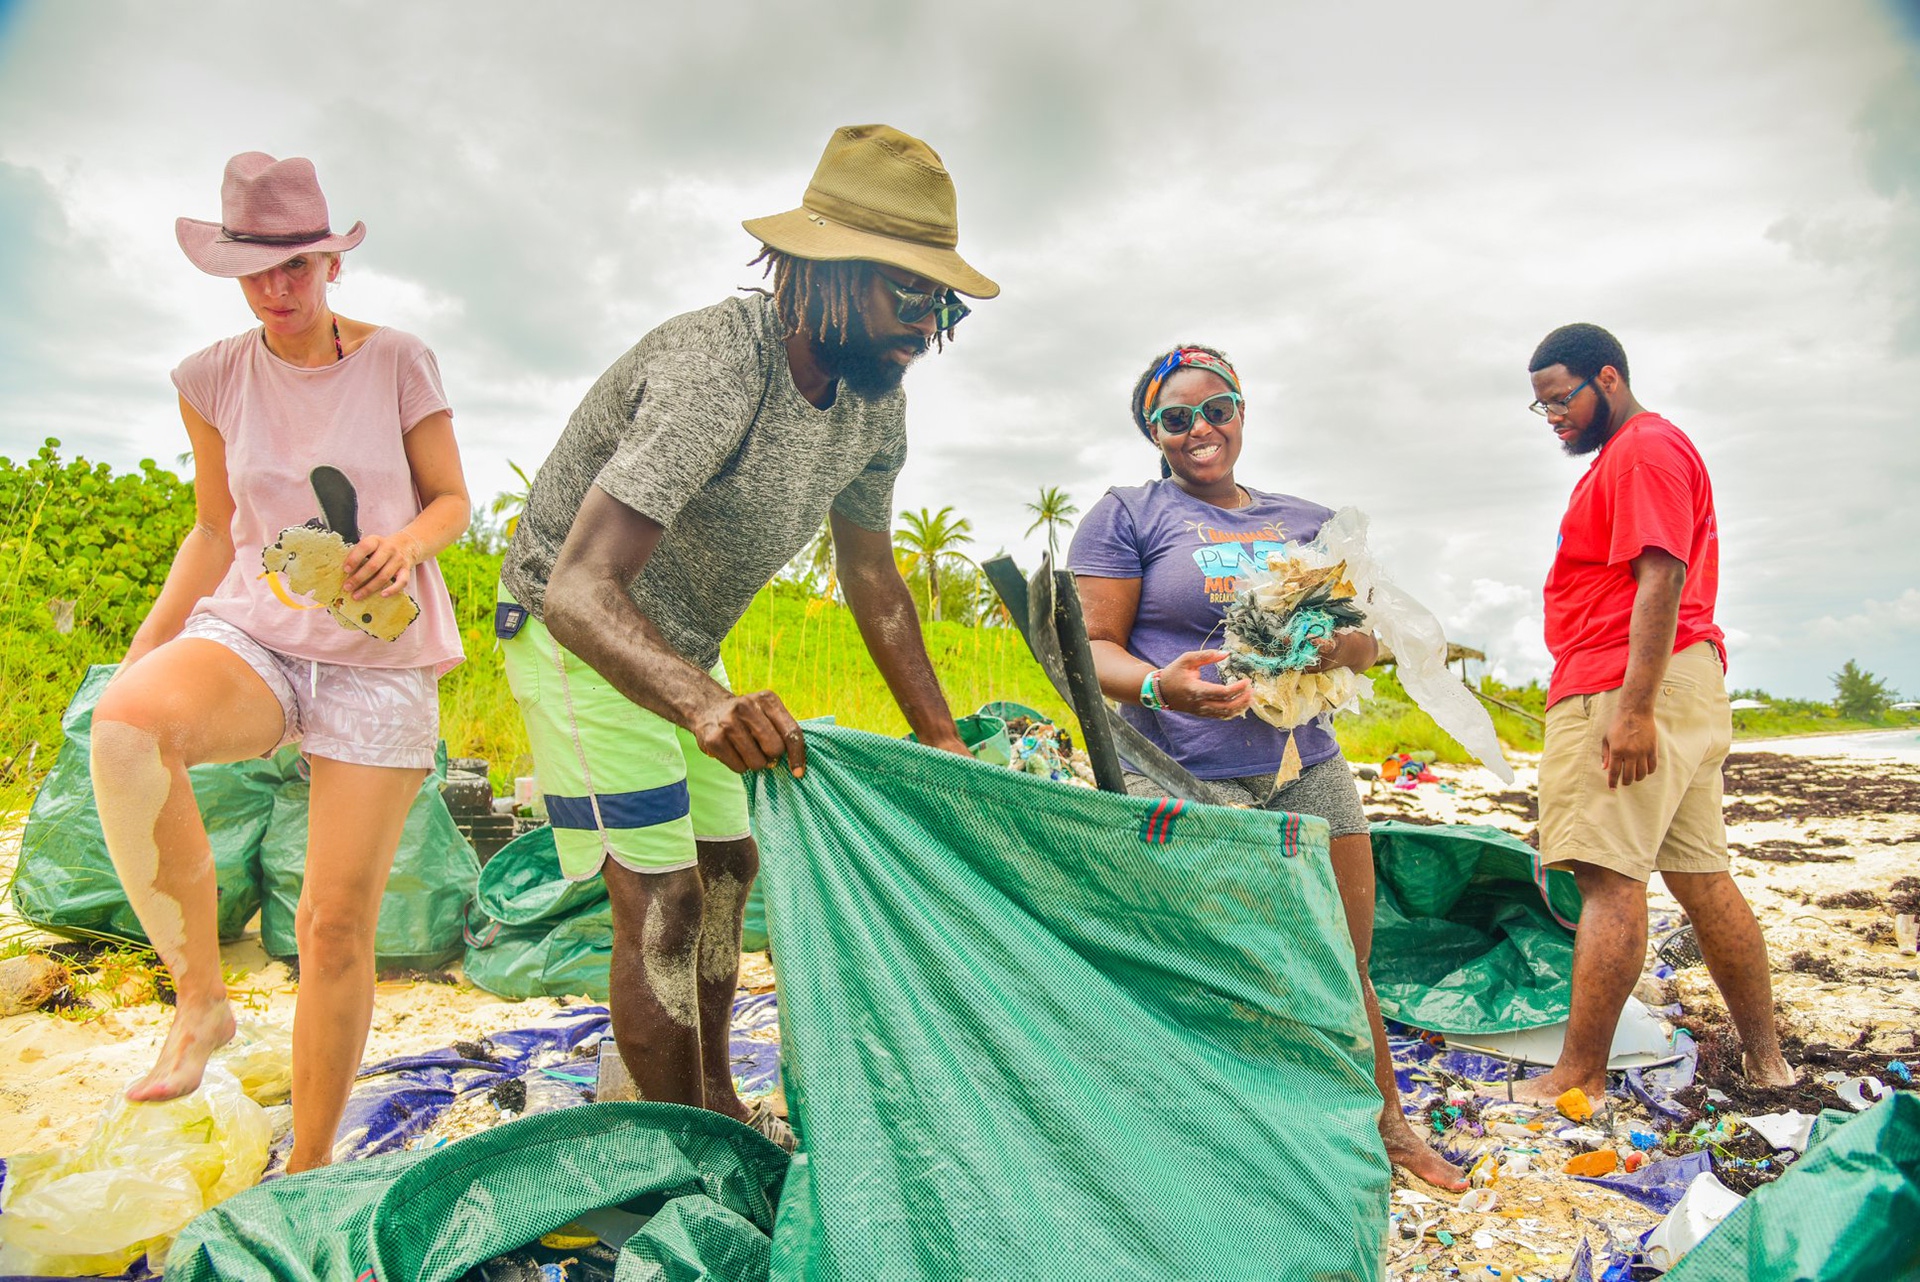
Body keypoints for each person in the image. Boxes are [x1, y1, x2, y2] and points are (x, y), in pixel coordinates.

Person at [497, 124, 997, 1149]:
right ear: (820, 268)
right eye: (908, 293)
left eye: (942, 303)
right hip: (575, 630)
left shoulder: (875, 403)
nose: (927, 325)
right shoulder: (717, 370)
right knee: (666, 902)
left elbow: (874, 579)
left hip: (678, 639)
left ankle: (715, 1103)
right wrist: (705, 702)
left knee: (729, 871)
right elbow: (582, 593)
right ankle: (685, 1155)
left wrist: (943, 739)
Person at [93, 153, 471, 1171]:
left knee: (332, 923)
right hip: (258, 631)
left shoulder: (398, 360)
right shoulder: (210, 376)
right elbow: (215, 532)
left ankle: (308, 1167)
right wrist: (140, 655)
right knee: (126, 727)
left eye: (295, 265)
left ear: (329, 262)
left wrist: (412, 544)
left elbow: (451, 499)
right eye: (256, 268)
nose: (277, 289)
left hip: (377, 657)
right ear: (232, 270)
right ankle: (202, 1001)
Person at [1068, 343, 1467, 1191]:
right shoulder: (1128, 513)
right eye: (1175, 419)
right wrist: (1159, 686)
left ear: (1242, 411)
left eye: (1217, 408)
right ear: (1153, 431)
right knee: (1215, 964)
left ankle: (1388, 1127)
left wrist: (1336, 643)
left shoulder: (1304, 519)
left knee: (1344, 958)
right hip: (1183, 771)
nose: (1200, 429)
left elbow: (1365, 642)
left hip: (1305, 762)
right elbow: (1087, 646)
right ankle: (1229, 1151)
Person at [1510, 323, 1791, 1104]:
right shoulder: (1641, 452)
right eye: (1542, 408)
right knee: (1702, 878)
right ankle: (1769, 1064)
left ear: (1609, 377)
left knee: (1608, 880)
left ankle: (1579, 1077)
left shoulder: (1641, 449)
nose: (1555, 418)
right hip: (1680, 682)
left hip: (1629, 683)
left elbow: (1659, 574)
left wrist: (1631, 709)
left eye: (1561, 399)